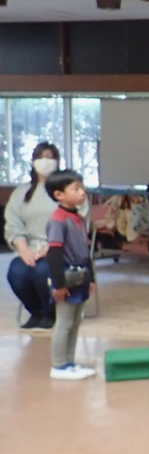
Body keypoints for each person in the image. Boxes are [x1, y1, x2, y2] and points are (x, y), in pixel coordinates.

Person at [5, 141, 64, 331]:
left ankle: (49, 313)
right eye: (41, 157)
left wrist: (51, 247)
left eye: (50, 157)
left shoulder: (66, 190)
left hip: (59, 248)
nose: (45, 162)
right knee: (17, 273)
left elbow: (74, 222)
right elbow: (14, 225)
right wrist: (23, 250)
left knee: (42, 272)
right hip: (29, 247)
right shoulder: (21, 193)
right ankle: (36, 312)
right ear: (33, 162)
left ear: (57, 162)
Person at [44, 169, 97, 380]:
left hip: (81, 274)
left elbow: (85, 251)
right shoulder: (58, 220)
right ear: (59, 195)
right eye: (76, 188)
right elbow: (54, 253)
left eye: (82, 187)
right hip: (66, 276)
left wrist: (91, 278)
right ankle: (58, 365)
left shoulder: (78, 218)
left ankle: (69, 361)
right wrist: (58, 284)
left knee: (75, 322)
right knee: (64, 322)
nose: (82, 192)